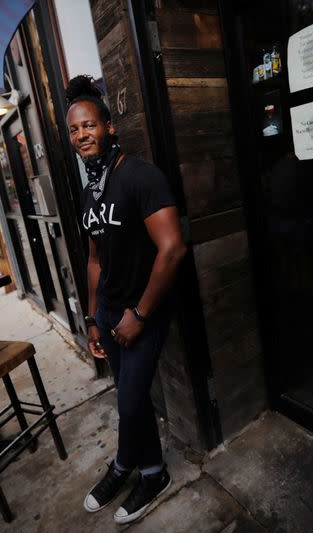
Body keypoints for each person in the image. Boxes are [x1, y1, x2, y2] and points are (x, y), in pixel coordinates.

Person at [66, 75, 186, 525]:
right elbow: (95, 259)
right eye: (75, 130)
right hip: (110, 311)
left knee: (131, 402)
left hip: (144, 311)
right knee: (129, 397)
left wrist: (139, 313)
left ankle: (121, 466)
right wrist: (94, 317)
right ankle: (153, 472)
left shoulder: (140, 177)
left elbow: (172, 249)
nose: (82, 135)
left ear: (109, 126)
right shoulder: (87, 194)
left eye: (89, 125)